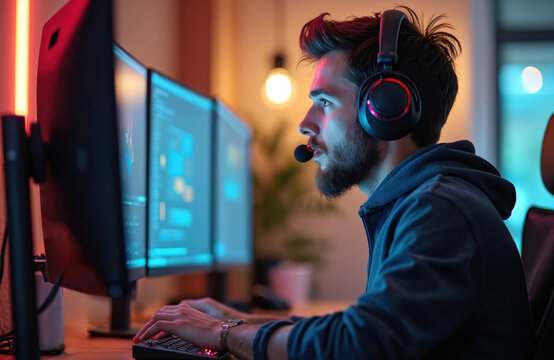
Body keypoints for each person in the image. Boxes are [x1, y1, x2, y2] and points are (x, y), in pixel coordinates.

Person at [133, 7, 535, 359]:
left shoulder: (441, 211)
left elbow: (360, 346)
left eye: (324, 102)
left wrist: (221, 335)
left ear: (384, 108)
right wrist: (237, 321)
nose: (305, 124)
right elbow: (366, 326)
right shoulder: (420, 203)